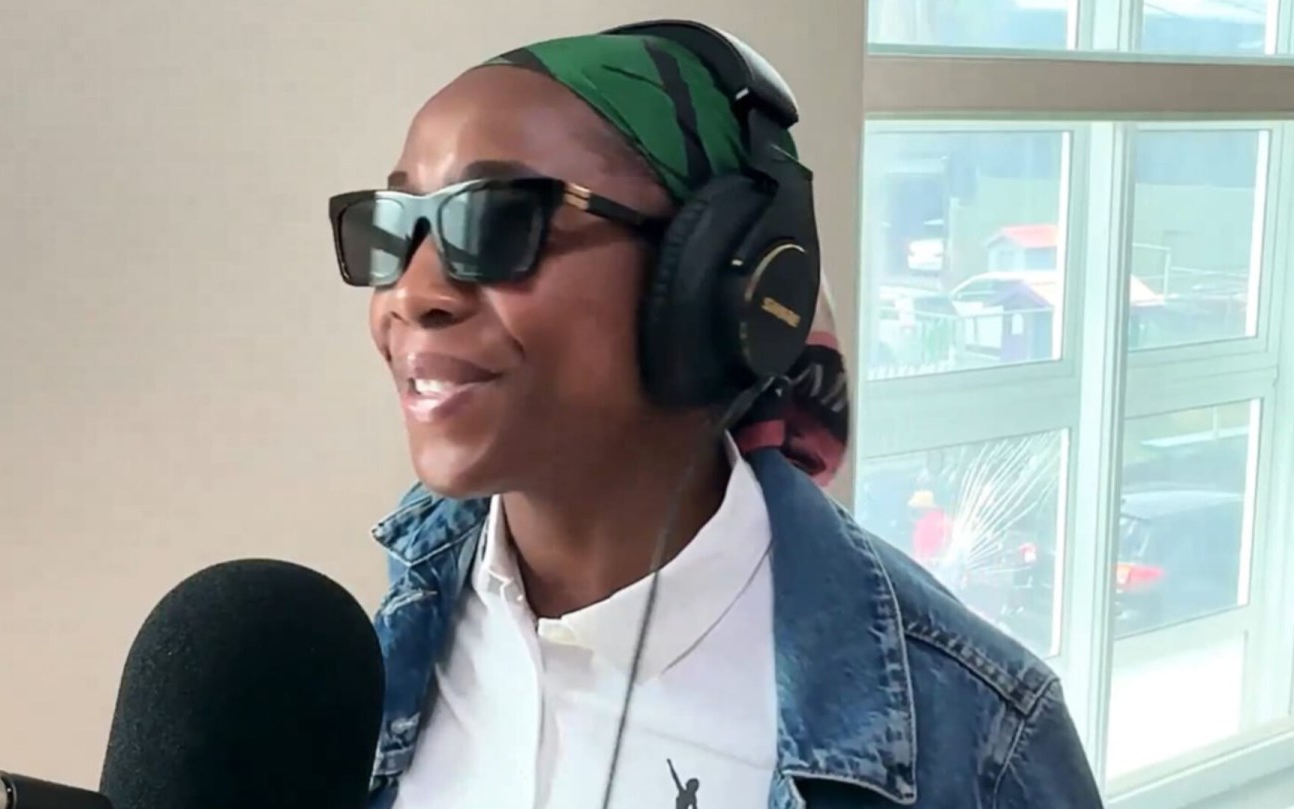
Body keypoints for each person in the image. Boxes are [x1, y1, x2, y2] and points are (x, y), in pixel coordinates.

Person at [329, 20, 1104, 809]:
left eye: (496, 220)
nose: (410, 294)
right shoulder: (379, 634)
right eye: (394, 232)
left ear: (712, 278)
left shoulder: (981, 739)